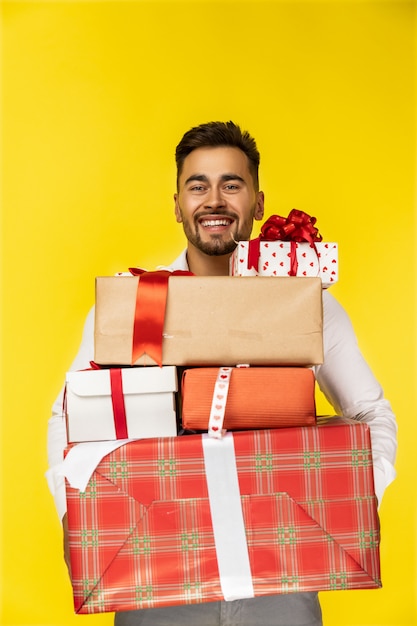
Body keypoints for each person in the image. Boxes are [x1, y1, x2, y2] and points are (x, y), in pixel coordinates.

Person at [47, 121, 397, 626]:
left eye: (232, 184)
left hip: (282, 576)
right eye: (198, 185)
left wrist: (352, 496)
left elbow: (369, 412)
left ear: (258, 202)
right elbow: (69, 418)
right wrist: (75, 516)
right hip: (154, 574)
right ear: (177, 205)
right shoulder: (132, 308)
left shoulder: (306, 306)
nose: (214, 200)